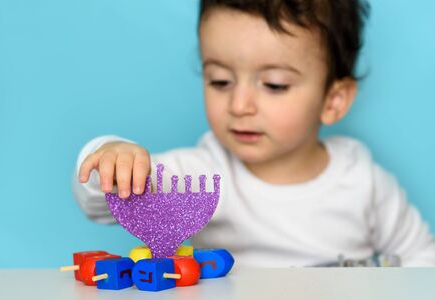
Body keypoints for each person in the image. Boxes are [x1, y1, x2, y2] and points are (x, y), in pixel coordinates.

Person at [72, 0, 435, 267]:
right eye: (220, 80)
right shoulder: (203, 174)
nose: (239, 104)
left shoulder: (364, 182)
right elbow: (103, 203)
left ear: (333, 100)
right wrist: (113, 158)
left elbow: (423, 262)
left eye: (274, 85)